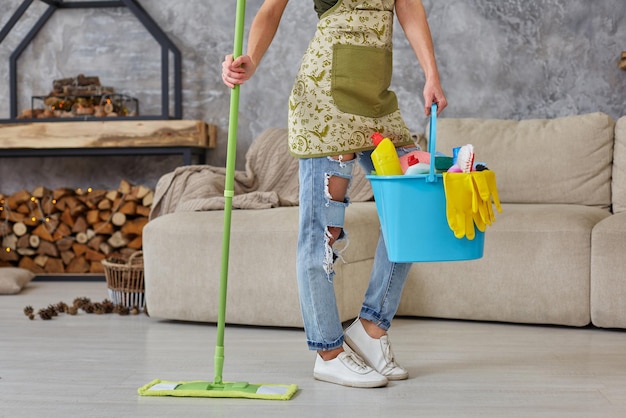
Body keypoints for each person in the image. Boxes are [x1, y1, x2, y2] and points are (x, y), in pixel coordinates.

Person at [222, 0, 447, 388]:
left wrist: (432, 74)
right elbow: (270, 10)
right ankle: (328, 351)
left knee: (410, 211)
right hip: (325, 100)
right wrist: (250, 60)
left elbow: (407, 5)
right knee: (322, 234)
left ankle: (371, 330)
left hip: (377, 103)